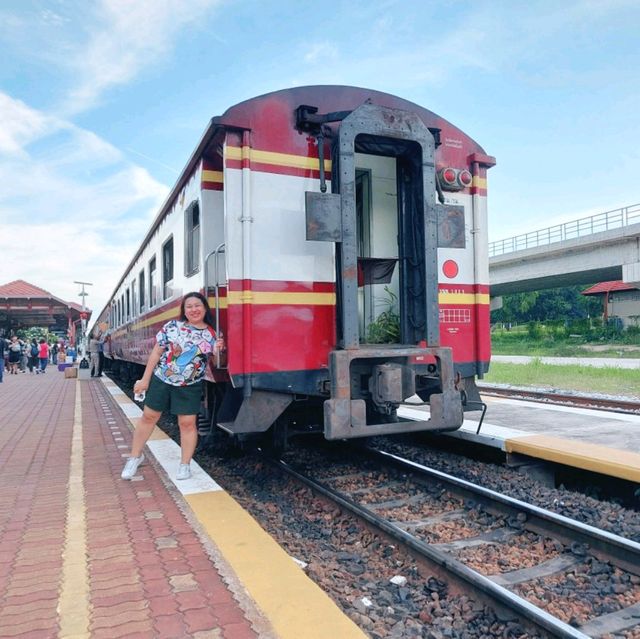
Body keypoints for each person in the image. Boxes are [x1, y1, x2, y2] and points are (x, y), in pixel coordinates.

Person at [121, 292, 224, 481]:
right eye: (189, 306)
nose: (194, 309)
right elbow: (156, 353)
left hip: (190, 385)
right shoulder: (172, 327)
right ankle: (135, 457)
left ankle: (185, 465)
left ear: (204, 308)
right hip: (162, 379)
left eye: (197, 305)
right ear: (184, 310)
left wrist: (218, 350)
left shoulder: (210, 334)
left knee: (187, 424)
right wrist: (145, 380)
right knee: (149, 417)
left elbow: (215, 362)